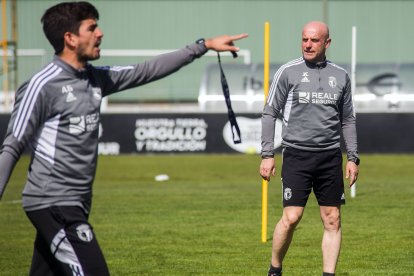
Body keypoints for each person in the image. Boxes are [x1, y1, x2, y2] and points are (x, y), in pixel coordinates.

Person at [0, 1, 247, 275]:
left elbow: (146, 70)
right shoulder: (42, 86)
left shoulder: (95, 79)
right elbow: (12, 145)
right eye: (92, 28)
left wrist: (204, 45)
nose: (100, 33)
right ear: (69, 38)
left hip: (78, 202)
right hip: (53, 203)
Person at [259, 21, 359, 276]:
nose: (308, 44)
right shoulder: (288, 72)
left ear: (327, 43)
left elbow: (347, 119)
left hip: (329, 157)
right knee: (292, 217)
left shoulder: (341, 75)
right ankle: (275, 269)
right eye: (304, 39)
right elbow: (270, 113)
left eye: (314, 40)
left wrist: (353, 157)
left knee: (332, 219)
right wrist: (267, 154)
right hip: (296, 155)